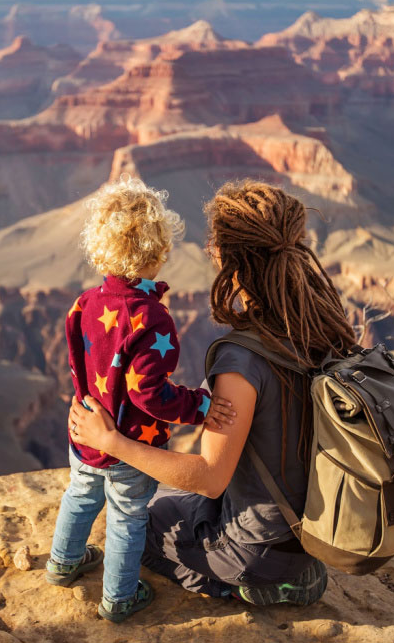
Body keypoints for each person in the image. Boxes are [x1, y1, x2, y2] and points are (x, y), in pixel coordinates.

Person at [68, 179, 357, 606]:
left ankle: (251, 584)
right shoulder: (316, 324)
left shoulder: (241, 363)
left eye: (213, 242)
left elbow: (208, 477)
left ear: (231, 261)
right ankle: (281, 566)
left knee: (137, 522)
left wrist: (110, 442)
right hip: (309, 524)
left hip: (255, 546)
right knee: (163, 491)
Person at [46, 176, 234, 623]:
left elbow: (76, 365)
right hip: (132, 442)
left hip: (86, 429)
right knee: (128, 516)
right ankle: (118, 597)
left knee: (80, 494)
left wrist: (86, 408)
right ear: (159, 248)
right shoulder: (151, 318)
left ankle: (63, 562)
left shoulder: (84, 303)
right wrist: (199, 407)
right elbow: (149, 394)